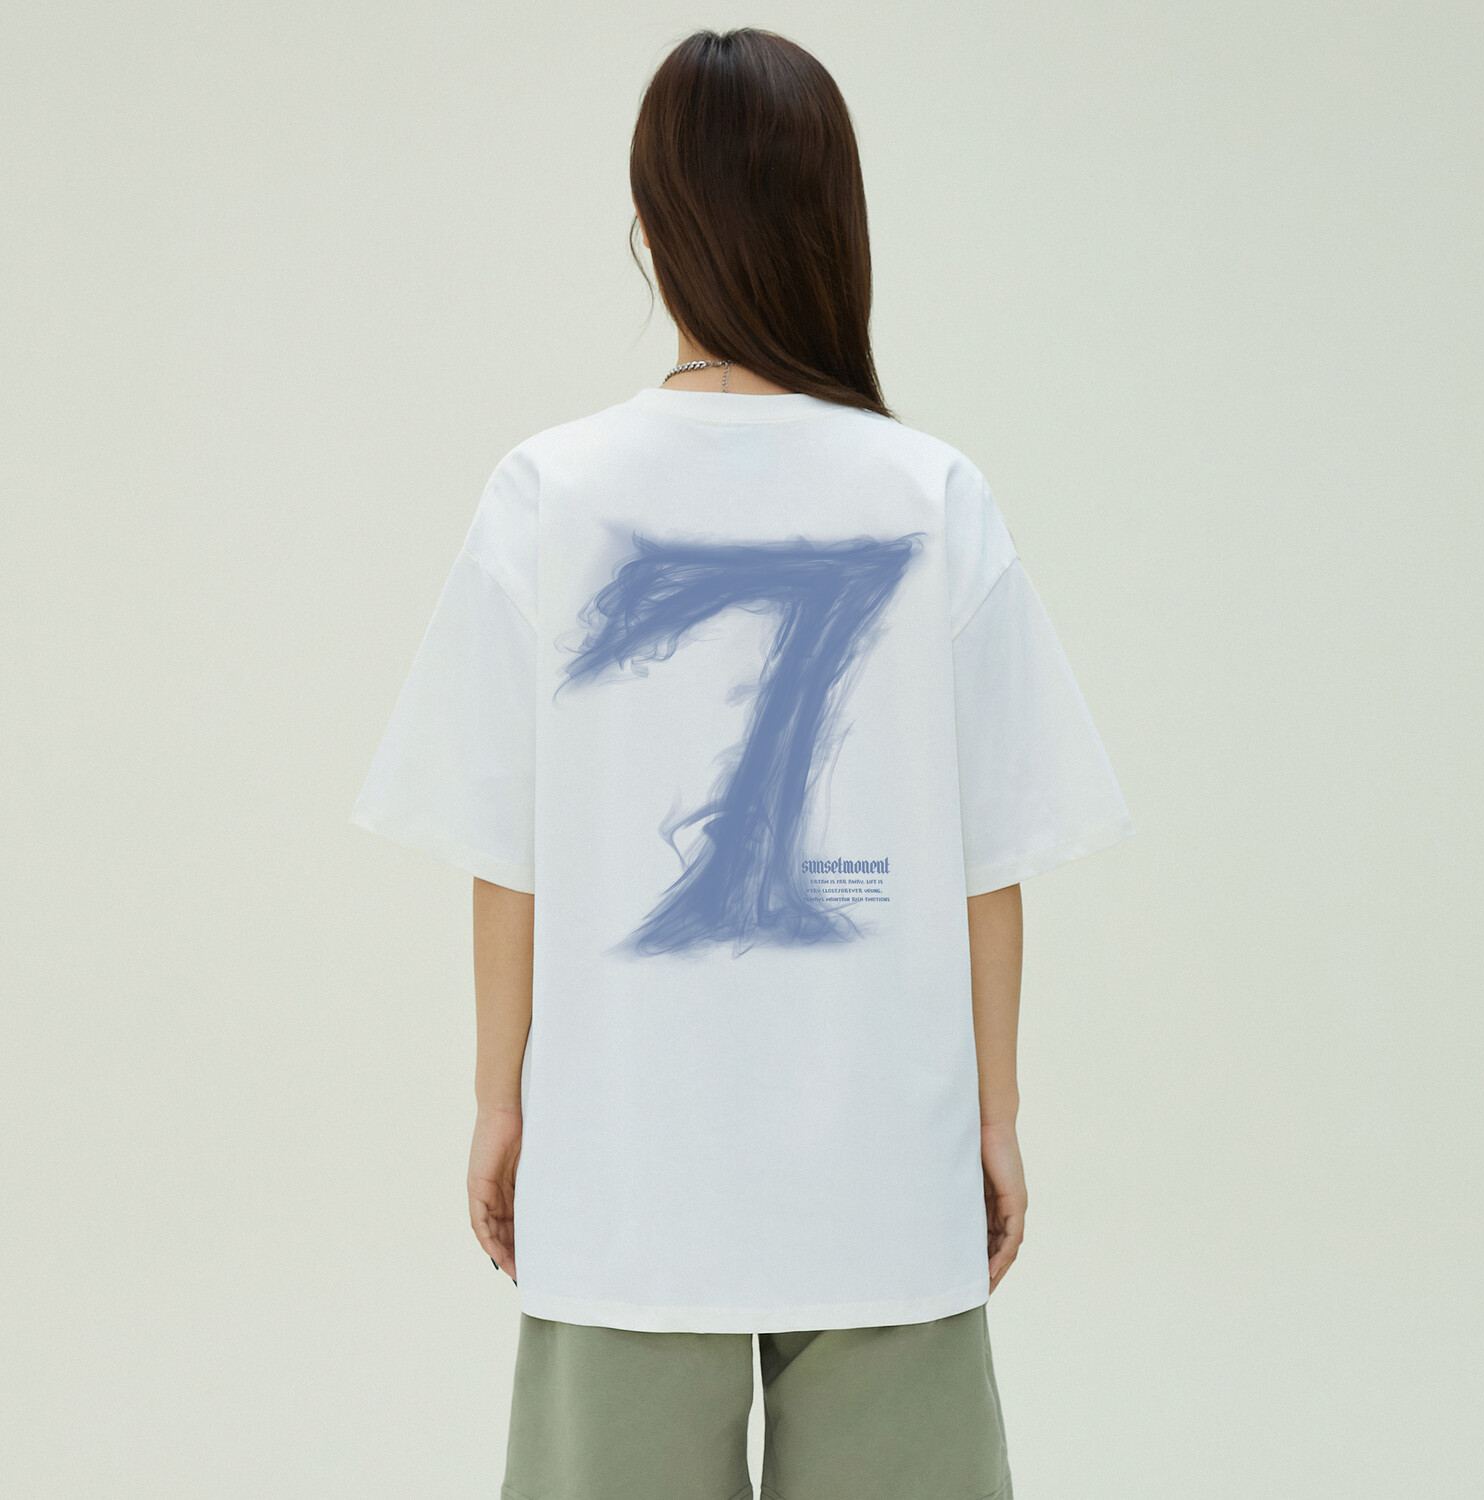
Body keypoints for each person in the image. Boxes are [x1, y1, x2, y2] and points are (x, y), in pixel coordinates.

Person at [353, 26, 1132, 1500]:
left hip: (626, 1165)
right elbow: (988, 865)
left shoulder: (548, 493)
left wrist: (500, 1102)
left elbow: (509, 854)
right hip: (882, 1165)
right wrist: (997, 1118)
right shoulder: (933, 494)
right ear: (837, 226)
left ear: (650, 230)